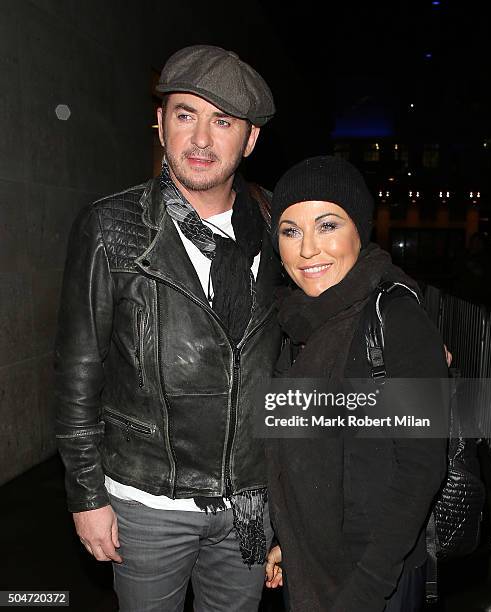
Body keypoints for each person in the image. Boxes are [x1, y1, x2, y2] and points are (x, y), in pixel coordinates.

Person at [54, 45, 283, 612]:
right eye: (185, 114)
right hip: (146, 501)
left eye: (223, 121)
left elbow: (340, 296)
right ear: (160, 124)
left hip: (251, 503)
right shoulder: (112, 228)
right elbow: (79, 371)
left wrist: (409, 336)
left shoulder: (283, 227)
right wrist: (87, 496)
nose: (201, 140)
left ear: (250, 139)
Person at [264, 156, 448, 611]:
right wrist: (288, 540)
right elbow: (298, 453)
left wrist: (369, 585)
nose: (308, 249)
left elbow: (422, 466)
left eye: (327, 225)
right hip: (309, 560)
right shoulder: (293, 322)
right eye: (290, 231)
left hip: (374, 573)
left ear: (358, 230)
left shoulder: (395, 315)